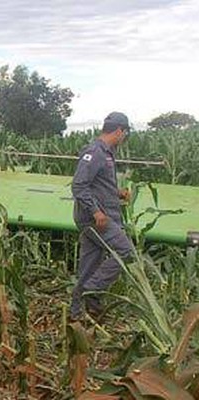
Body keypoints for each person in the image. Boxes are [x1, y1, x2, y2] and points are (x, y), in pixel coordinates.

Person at [69, 111, 134, 322]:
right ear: (119, 131)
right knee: (125, 251)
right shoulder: (95, 151)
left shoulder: (107, 152)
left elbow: (98, 185)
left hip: (99, 217)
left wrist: (118, 193)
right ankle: (92, 290)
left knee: (89, 264)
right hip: (96, 219)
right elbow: (79, 185)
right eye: (124, 133)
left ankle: (76, 311)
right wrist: (96, 211)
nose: (124, 138)